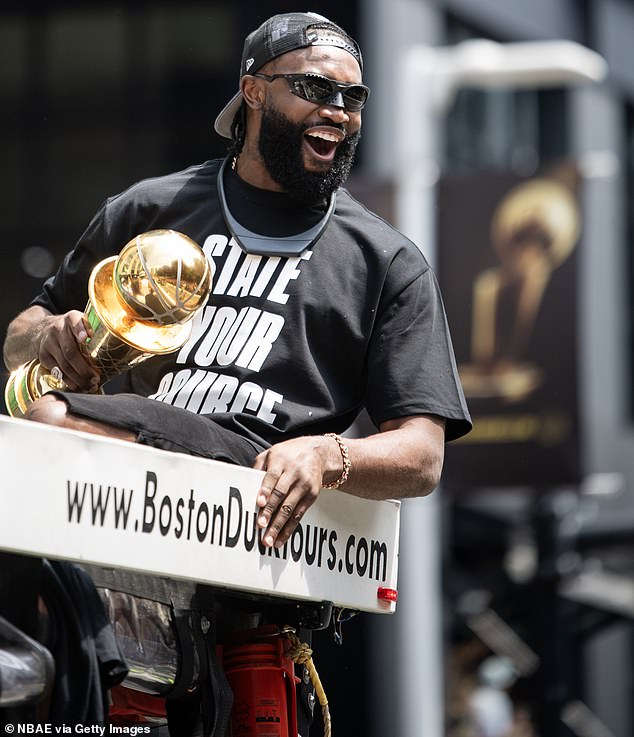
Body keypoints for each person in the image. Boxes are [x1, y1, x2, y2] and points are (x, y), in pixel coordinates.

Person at [3, 10, 471, 733]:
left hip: (254, 474)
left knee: (49, 428)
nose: (337, 112)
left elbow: (422, 454)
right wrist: (58, 335)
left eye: (353, 98)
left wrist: (329, 453)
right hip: (143, 464)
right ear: (253, 91)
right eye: (315, 88)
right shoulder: (151, 206)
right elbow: (20, 336)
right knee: (39, 426)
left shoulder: (386, 260)